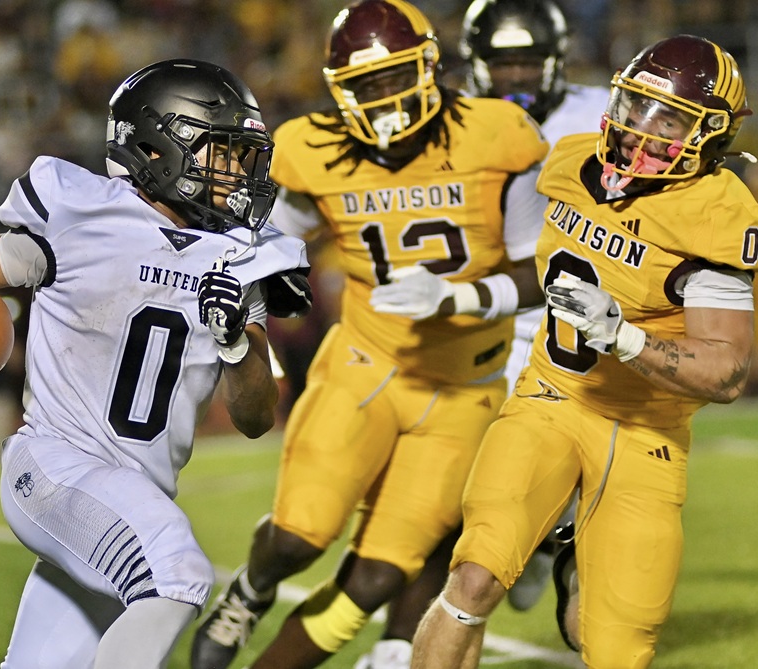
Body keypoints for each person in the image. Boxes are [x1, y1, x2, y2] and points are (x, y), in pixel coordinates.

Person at [0, 58, 311, 669]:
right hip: (56, 464)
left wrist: (237, 340)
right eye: (222, 151)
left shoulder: (243, 258)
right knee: (176, 573)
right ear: (159, 149)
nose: (238, 172)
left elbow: (256, 415)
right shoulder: (82, 213)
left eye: (242, 154)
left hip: (134, 494)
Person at [189, 2, 549, 668]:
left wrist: (458, 295)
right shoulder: (313, 148)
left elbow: (540, 270)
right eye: (363, 85)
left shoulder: (499, 133)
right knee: (300, 536)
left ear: (430, 65)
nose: (381, 97)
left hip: (463, 391)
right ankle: (250, 587)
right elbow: (267, 249)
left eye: (393, 77)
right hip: (366, 368)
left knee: (380, 575)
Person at [409, 34, 758, 669]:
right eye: (635, 106)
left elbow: (727, 369)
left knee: (610, 647)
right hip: (550, 397)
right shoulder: (568, 163)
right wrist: (462, 296)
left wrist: (628, 337)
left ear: (711, 134)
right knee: (472, 581)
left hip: (644, 432)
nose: (639, 131)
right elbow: (528, 263)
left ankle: (574, 544)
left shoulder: (715, 216)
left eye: (669, 119)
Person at [354, 1, 609, 665]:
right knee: (439, 488)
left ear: (554, 59)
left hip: (580, 319)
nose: (516, 74)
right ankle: (401, 640)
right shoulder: (447, 121)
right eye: (503, 62)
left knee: (570, 471)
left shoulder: (605, 114)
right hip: (479, 313)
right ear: (476, 65)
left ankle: (552, 541)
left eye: (527, 59)